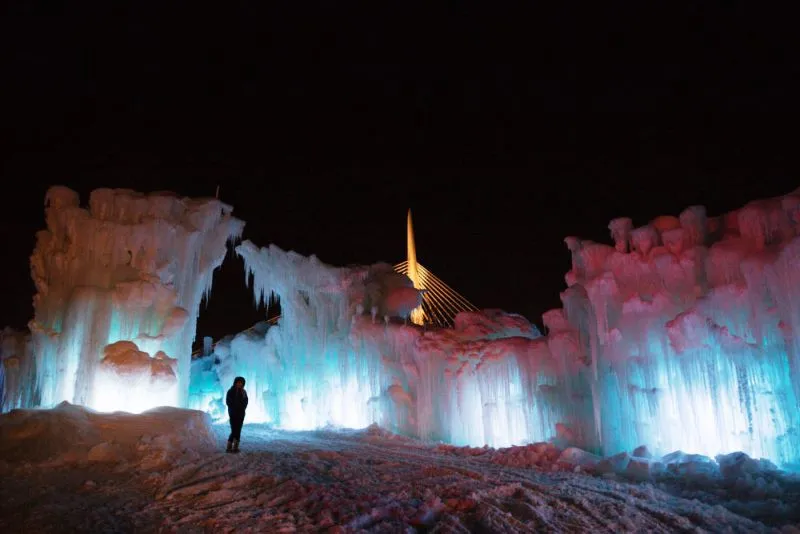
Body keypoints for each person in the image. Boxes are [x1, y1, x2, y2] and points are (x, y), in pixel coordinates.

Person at [225, 376, 248, 453]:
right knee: (234, 430)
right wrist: (234, 407)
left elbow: (245, 402)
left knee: (238, 430)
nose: (239, 384)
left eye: (241, 383)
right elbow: (228, 402)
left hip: (241, 414)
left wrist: (241, 408)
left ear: (243, 384)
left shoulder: (244, 392)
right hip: (233, 413)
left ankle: (235, 447)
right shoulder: (230, 391)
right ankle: (229, 446)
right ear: (235, 383)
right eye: (238, 382)